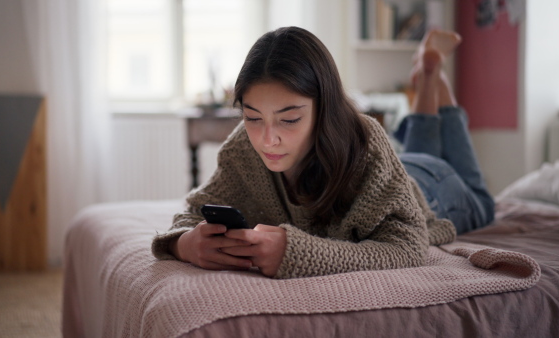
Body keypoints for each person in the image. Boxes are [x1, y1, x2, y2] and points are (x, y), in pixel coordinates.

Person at [151, 27, 494, 279]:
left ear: (323, 109)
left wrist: (297, 253)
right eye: (253, 117)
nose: (267, 139)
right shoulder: (244, 147)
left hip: (434, 190)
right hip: (401, 167)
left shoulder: (365, 139)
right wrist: (184, 244)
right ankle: (429, 77)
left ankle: (438, 87)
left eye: (289, 119)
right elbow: (192, 214)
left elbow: (408, 246)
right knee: (417, 149)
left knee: (482, 199)